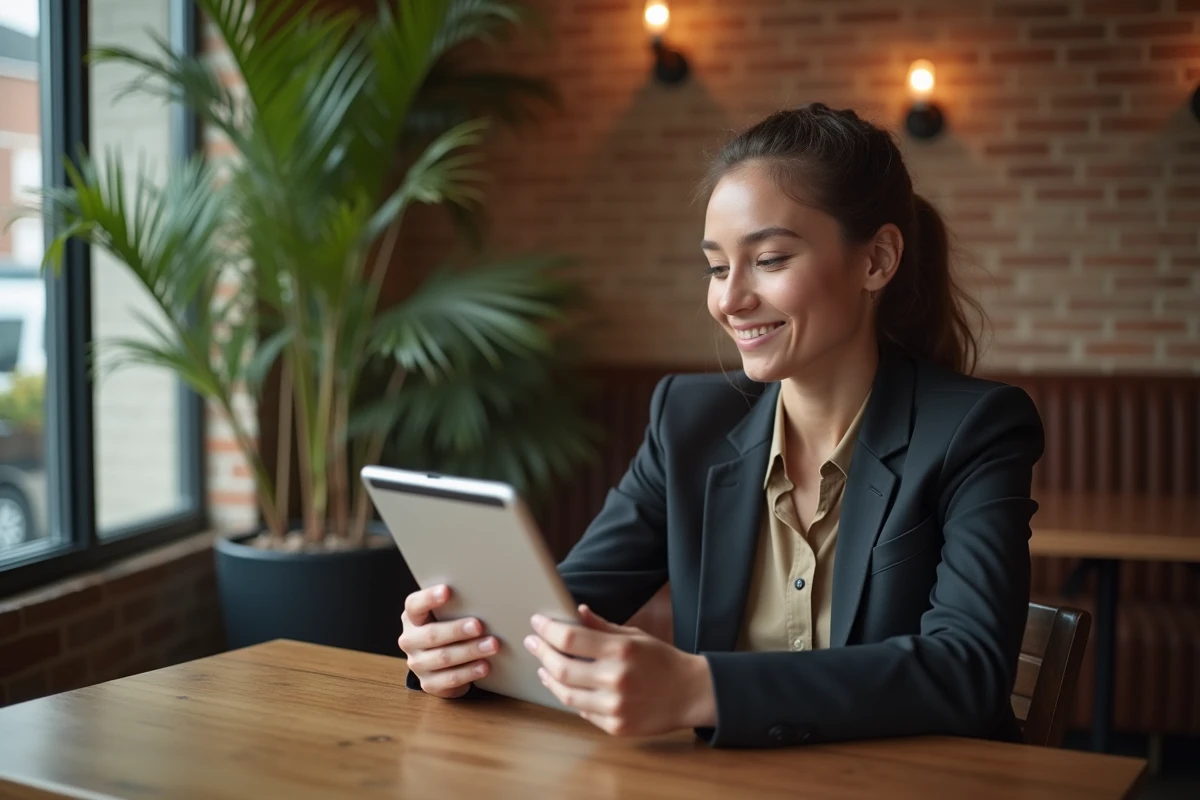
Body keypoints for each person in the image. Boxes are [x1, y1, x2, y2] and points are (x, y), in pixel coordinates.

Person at [397, 103, 1045, 748]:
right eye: (716, 266)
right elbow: (558, 612)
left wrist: (699, 688)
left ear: (876, 260)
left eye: (769, 260)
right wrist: (460, 650)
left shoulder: (974, 429)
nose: (729, 299)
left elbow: (970, 671)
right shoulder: (688, 422)